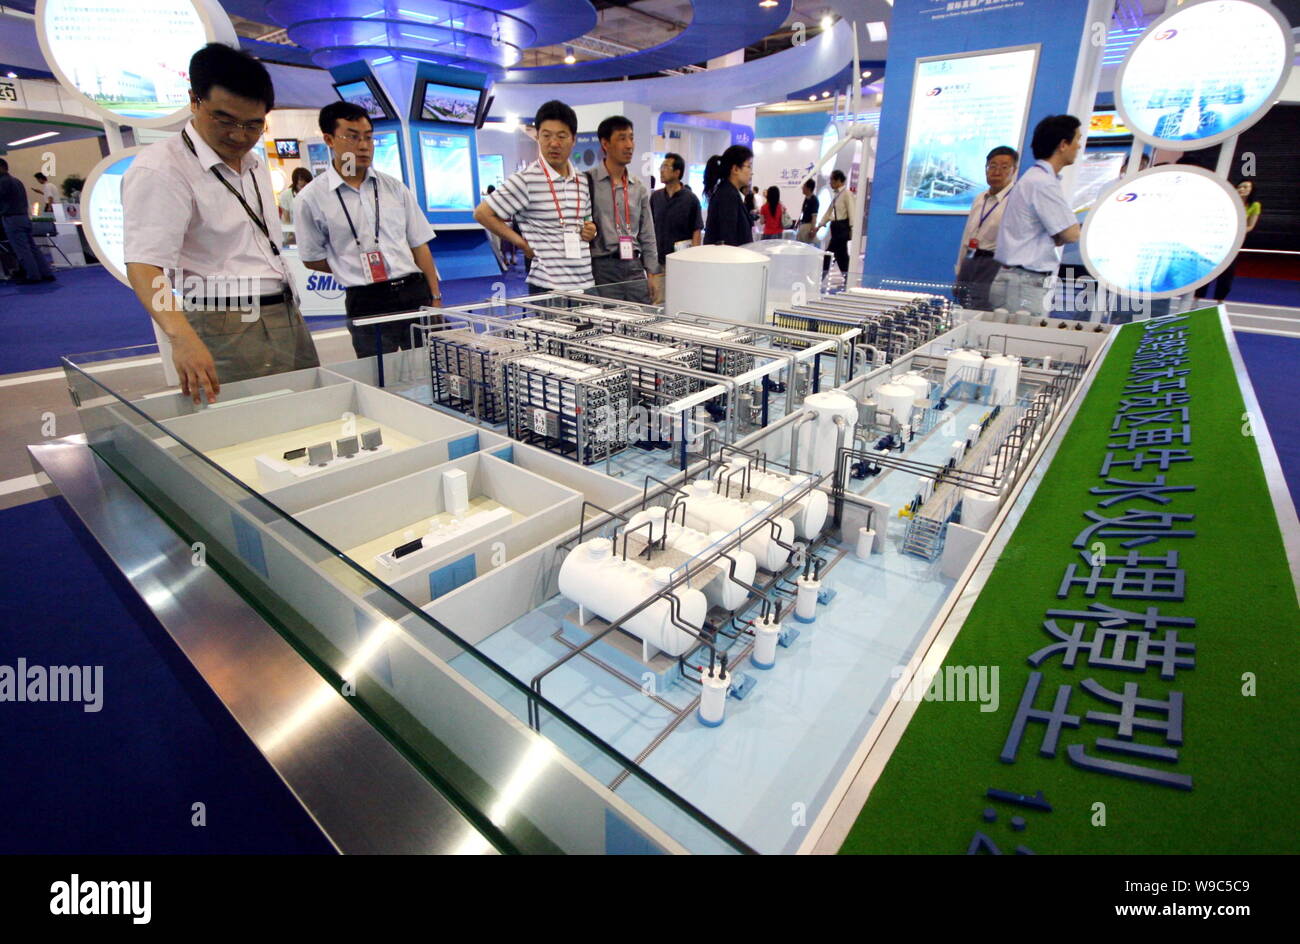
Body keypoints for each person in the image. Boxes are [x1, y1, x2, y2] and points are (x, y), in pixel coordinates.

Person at [122, 42, 318, 403]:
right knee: (247, 425)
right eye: (225, 120)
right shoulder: (163, 168)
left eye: (253, 124)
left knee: (306, 412)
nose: (240, 135)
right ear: (195, 101)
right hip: (224, 321)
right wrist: (182, 338)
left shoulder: (255, 165)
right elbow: (145, 266)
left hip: (284, 311)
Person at [295, 101, 442, 359]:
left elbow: (419, 244)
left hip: (412, 291)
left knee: (431, 368)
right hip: (366, 299)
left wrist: (435, 297)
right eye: (352, 137)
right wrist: (349, 264)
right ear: (329, 139)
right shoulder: (311, 198)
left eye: (369, 138)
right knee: (378, 375)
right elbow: (311, 258)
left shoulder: (394, 188)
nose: (363, 146)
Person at [474, 100, 597, 295]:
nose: (553, 143)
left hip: (585, 282)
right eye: (546, 136)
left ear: (573, 139)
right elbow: (482, 213)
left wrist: (591, 230)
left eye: (561, 136)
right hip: (547, 285)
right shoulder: (526, 179)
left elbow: (587, 223)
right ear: (538, 137)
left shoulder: (581, 180)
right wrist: (522, 244)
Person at [989, 114, 1083, 317]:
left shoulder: (1035, 179)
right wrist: (1064, 232)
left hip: (1018, 279)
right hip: (1024, 283)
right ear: (1063, 144)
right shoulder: (1043, 183)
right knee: (1018, 343)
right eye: (1077, 140)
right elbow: (1071, 234)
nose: (1079, 146)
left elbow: (1059, 233)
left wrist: (1060, 233)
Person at [587, 115, 661, 303]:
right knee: (608, 326)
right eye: (622, 138)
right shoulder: (587, 182)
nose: (629, 145)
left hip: (634, 267)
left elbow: (647, 234)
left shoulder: (638, 187)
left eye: (631, 137)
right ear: (605, 143)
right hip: (602, 267)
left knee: (641, 322)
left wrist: (652, 273)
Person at [953, 146, 1018, 310]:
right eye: (992, 166)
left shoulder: (1017, 199)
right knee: (962, 307)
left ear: (1014, 170)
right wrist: (960, 271)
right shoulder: (980, 198)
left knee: (982, 309)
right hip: (971, 258)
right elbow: (967, 234)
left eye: (1004, 167)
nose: (997, 171)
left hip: (993, 263)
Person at [1198, 180, 1262, 302]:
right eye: (1240, 186)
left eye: (1246, 187)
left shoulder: (1255, 205)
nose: (1242, 189)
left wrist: (1235, 234)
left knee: (1227, 271)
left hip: (1233, 241)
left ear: (1251, 190)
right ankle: (1197, 297)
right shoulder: (1227, 201)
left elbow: (1250, 226)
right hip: (1216, 239)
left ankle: (1220, 300)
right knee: (1206, 268)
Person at [0, 158, 55, 284]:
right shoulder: (16, 181)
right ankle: (46, 273)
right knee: (32, 247)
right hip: (24, 217)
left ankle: (33, 275)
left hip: (12, 218)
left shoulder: (3, 182)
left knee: (22, 249)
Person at [650, 152, 703, 267]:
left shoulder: (691, 199)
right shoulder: (656, 197)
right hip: (659, 261)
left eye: (666, 167)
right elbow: (649, 227)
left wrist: (694, 260)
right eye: (661, 167)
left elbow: (696, 231)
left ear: (677, 172)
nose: (661, 171)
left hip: (681, 262)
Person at [702, 145, 754, 247]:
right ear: (735, 169)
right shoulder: (727, 195)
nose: (751, 172)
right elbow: (728, 238)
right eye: (748, 166)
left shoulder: (729, 192)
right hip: (728, 259)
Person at [816, 169, 854, 278]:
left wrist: (852, 230)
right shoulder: (837, 195)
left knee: (830, 254)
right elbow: (829, 212)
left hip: (842, 228)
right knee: (841, 256)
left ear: (838, 180)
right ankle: (847, 279)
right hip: (836, 228)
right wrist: (819, 225)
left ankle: (821, 278)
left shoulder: (847, 194)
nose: (830, 182)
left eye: (832, 179)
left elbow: (852, 212)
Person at [796, 179, 819, 243]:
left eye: (804, 186)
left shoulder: (814, 200)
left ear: (808, 188)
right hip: (802, 225)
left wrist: (812, 230)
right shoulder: (806, 198)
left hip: (808, 227)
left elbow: (814, 217)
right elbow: (803, 212)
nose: (802, 188)